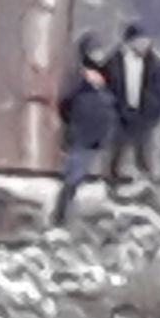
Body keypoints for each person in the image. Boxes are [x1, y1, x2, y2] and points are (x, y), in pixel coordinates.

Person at [54, 34, 117, 225]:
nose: (99, 55)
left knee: (95, 176)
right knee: (74, 176)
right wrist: (75, 123)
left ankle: (86, 216)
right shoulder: (78, 78)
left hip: (100, 135)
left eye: (100, 51)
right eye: (94, 51)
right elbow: (65, 104)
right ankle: (61, 217)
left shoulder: (107, 77)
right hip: (82, 134)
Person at [107, 22, 160, 189]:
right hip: (120, 114)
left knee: (144, 152)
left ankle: (147, 183)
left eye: (147, 41)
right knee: (116, 151)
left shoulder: (156, 64)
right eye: (141, 41)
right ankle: (113, 183)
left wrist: (153, 109)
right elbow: (108, 88)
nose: (145, 45)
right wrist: (114, 108)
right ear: (129, 42)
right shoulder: (113, 62)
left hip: (144, 115)